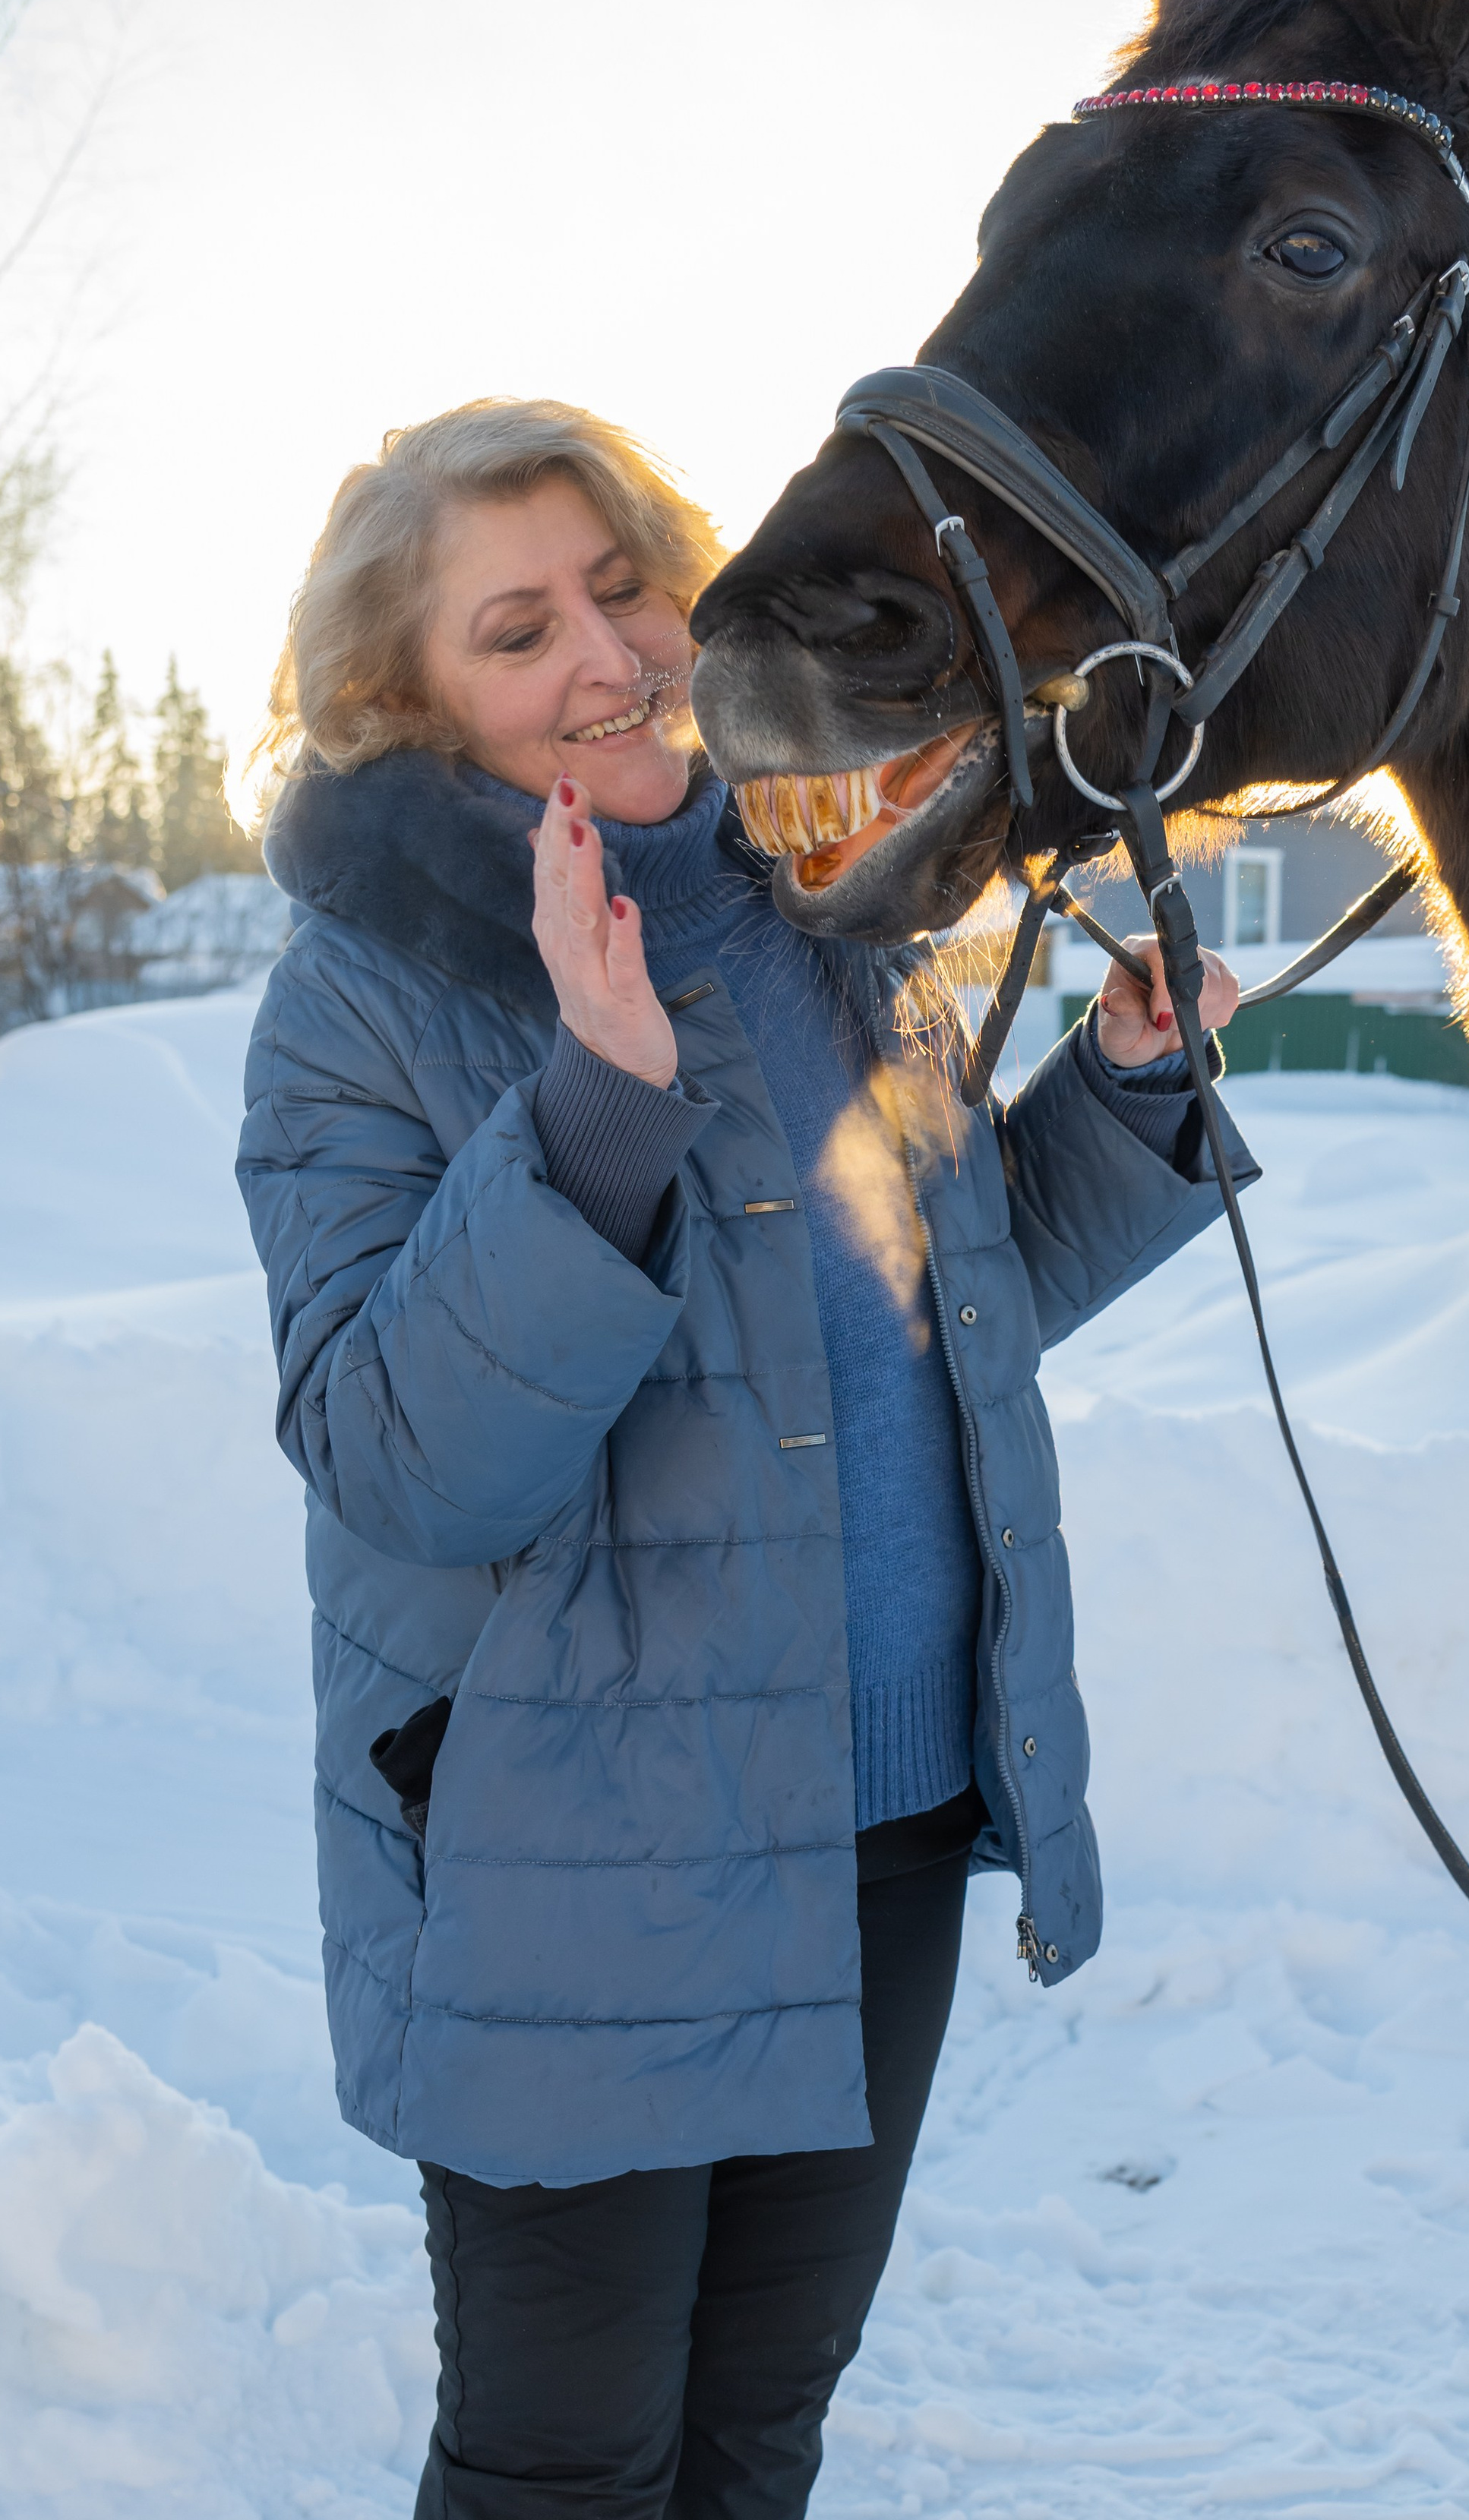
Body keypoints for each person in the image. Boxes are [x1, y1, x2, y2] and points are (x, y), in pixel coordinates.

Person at [236, 397, 1254, 2520]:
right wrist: (593, 1112)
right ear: (406, 702)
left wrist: (1127, 1094)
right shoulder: (375, 1001)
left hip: (878, 1811)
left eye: (627, 585)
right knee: (564, 2466)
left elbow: (921, 1318)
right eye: (517, 632)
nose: (606, 657)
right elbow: (396, 1459)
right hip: (570, 1845)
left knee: (759, 2424)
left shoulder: (830, 914)